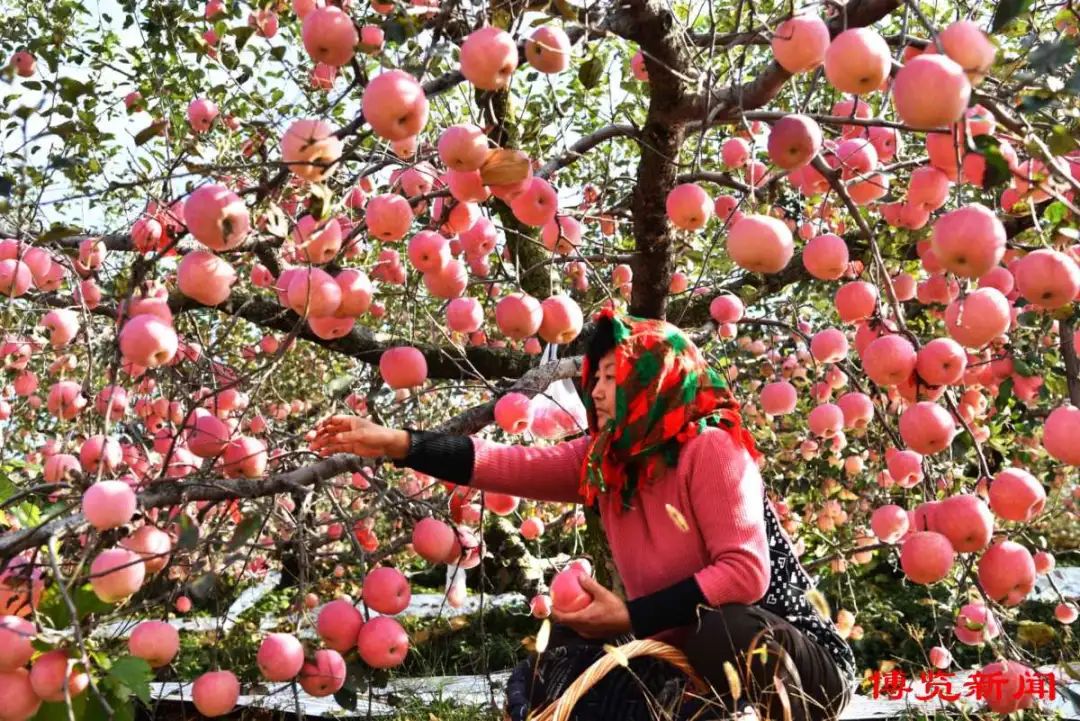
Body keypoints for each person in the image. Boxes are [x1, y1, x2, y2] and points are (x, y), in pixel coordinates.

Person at [311, 308, 857, 721]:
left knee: (727, 633)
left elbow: (744, 574)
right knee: (555, 663)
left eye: (612, 377)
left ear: (655, 378)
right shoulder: (606, 462)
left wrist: (630, 617)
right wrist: (399, 443)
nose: (595, 389)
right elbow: (505, 464)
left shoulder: (711, 448)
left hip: (795, 664)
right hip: (681, 661)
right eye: (594, 377)